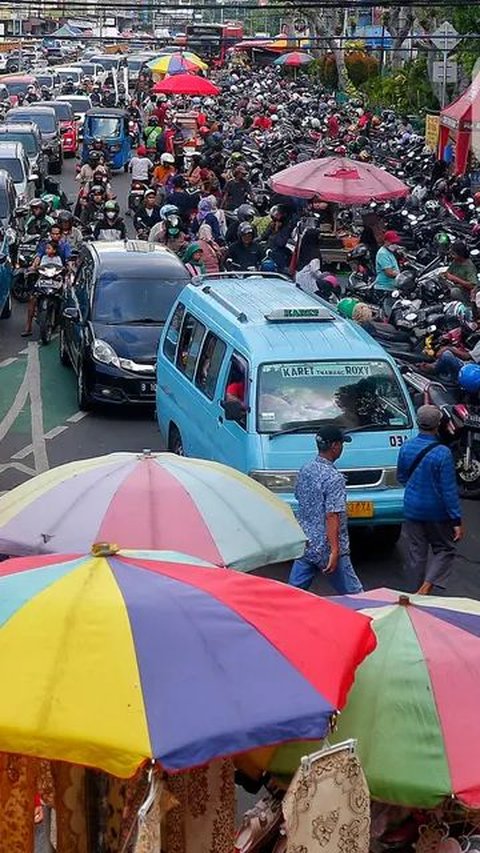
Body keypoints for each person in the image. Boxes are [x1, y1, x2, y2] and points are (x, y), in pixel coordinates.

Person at [397, 405, 463, 595]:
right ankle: (427, 586)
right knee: (445, 548)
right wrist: (456, 519)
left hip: (412, 509)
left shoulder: (407, 446)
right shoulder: (442, 453)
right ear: (438, 425)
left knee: (416, 554)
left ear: (418, 423)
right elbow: (448, 490)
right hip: (437, 512)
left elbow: (402, 476)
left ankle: (412, 594)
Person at [288, 426, 363, 593]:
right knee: (356, 596)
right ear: (335, 446)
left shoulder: (306, 469)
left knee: (293, 593)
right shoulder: (334, 478)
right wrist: (335, 550)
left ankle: (277, 617)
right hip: (327, 547)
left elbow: (298, 497)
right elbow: (332, 515)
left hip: (307, 543)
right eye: (342, 444)